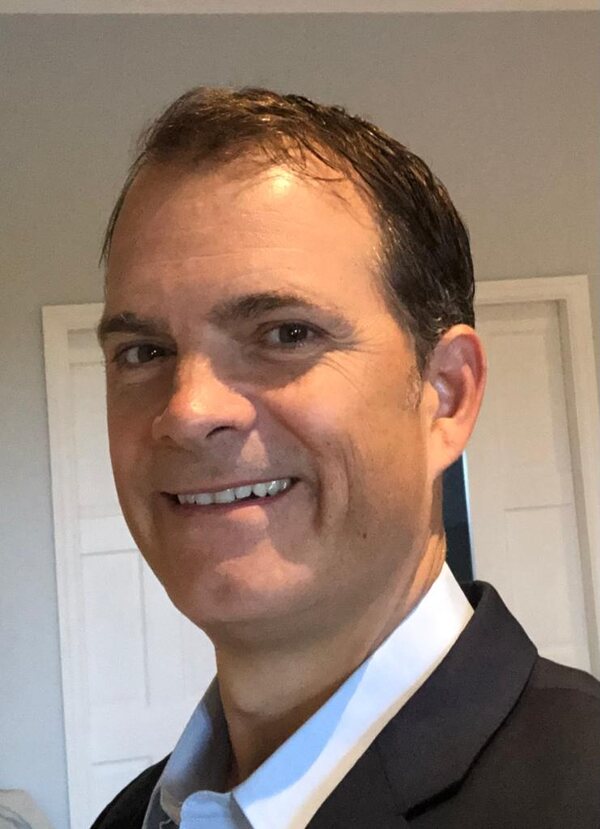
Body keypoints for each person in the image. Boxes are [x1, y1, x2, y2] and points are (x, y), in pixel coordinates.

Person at [91, 87, 600, 829]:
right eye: (144, 352)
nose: (188, 411)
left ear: (446, 396)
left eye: (286, 333)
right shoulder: (129, 817)